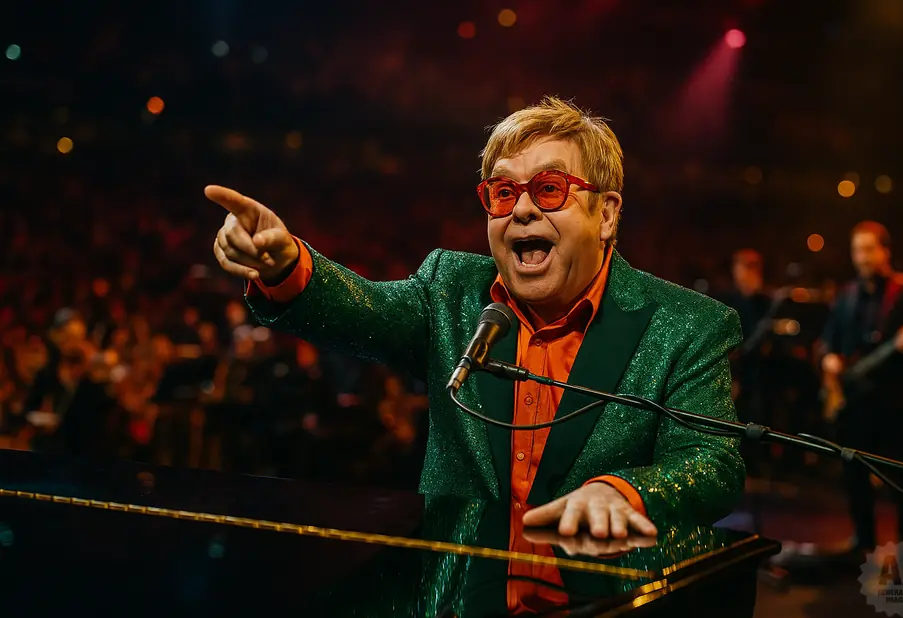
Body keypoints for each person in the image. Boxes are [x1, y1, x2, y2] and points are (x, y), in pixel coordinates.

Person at [206, 97, 745, 612]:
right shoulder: (450, 291)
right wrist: (282, 266)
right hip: (455, 607)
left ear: (605, 215)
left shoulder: (688, 326)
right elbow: (358, 310)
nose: (524, 209)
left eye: (550, 188)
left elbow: (713, 464)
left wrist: (623, 492)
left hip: (603, 606)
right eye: (504, 194)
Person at [820, 221, 903, 552]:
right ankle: (863, 541)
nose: (862, 257)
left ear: (885, 251)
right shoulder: (846, 295)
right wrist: (829, 359)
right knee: (854, 474)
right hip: (857, 403)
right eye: (857, 250)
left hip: (897, 402)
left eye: (869, 249)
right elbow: (828, 340)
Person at [717, 249, 773, 478]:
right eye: (742, 268)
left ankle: (757, 467)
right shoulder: (727, 301)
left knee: (758, 417)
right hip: (735, 372)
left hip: (759, 374)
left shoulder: (765, 302)